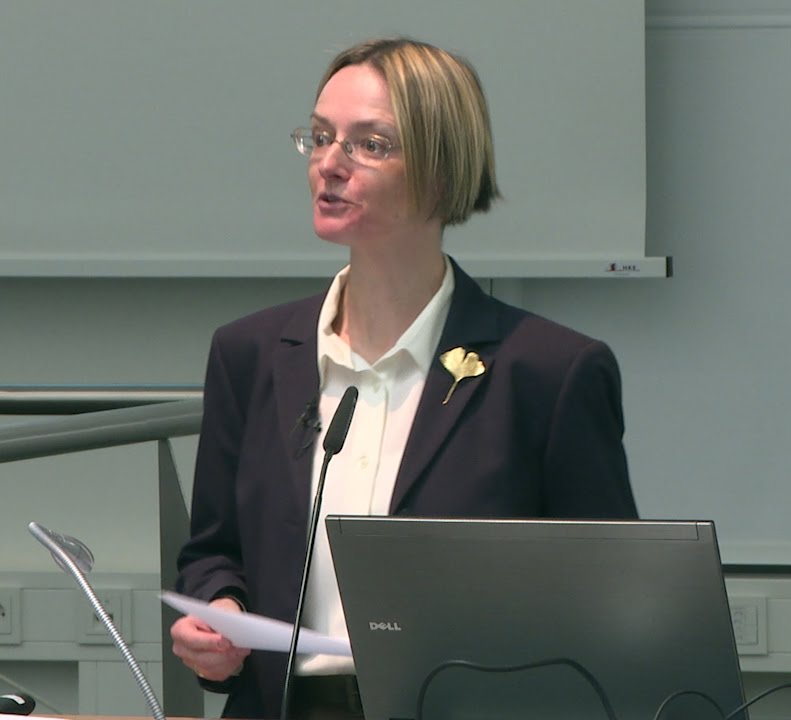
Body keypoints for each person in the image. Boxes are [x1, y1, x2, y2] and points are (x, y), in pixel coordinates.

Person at [170, 37, 639, 720]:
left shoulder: (546, 372)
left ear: (444, 173)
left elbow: (606, 599)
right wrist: (219, 613)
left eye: (370, 145)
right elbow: (215, 550)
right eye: (322, 137)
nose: (330, 164)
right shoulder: (251, 353)